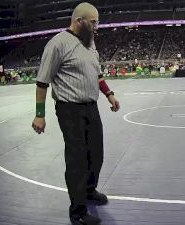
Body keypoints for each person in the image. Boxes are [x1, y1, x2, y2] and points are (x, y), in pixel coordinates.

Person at [31, 3, 120, 225]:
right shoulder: (58, 43)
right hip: (69, 109)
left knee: (96, 153)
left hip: (91, 107)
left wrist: (109, 94)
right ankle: (78, 212)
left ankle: (90, 191)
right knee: (77, 159)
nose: (97, 26)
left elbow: (97, 75)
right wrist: (39, 114)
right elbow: (42, 82)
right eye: (93, 22)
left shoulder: (90, 43)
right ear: (79, 21)